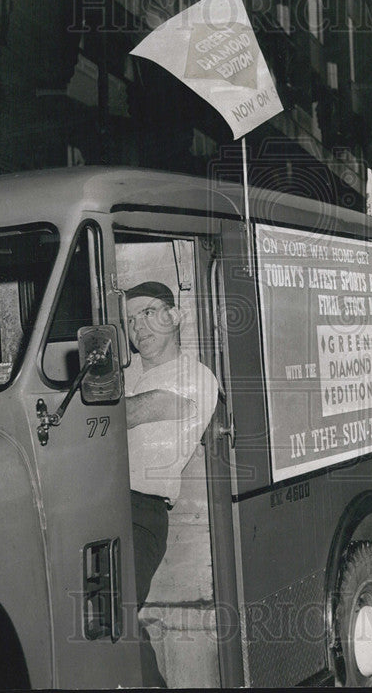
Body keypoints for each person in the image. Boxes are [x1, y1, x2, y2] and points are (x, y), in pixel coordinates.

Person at [123, 281, 218, 686]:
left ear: (175, 316)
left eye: (147, 313)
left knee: (116, 611)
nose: (137, 326)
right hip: (102, 506)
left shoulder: (193, 375)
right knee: (102, 616)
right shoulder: (126, 377)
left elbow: (136, 413)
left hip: (141, 513)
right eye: (129, 319)